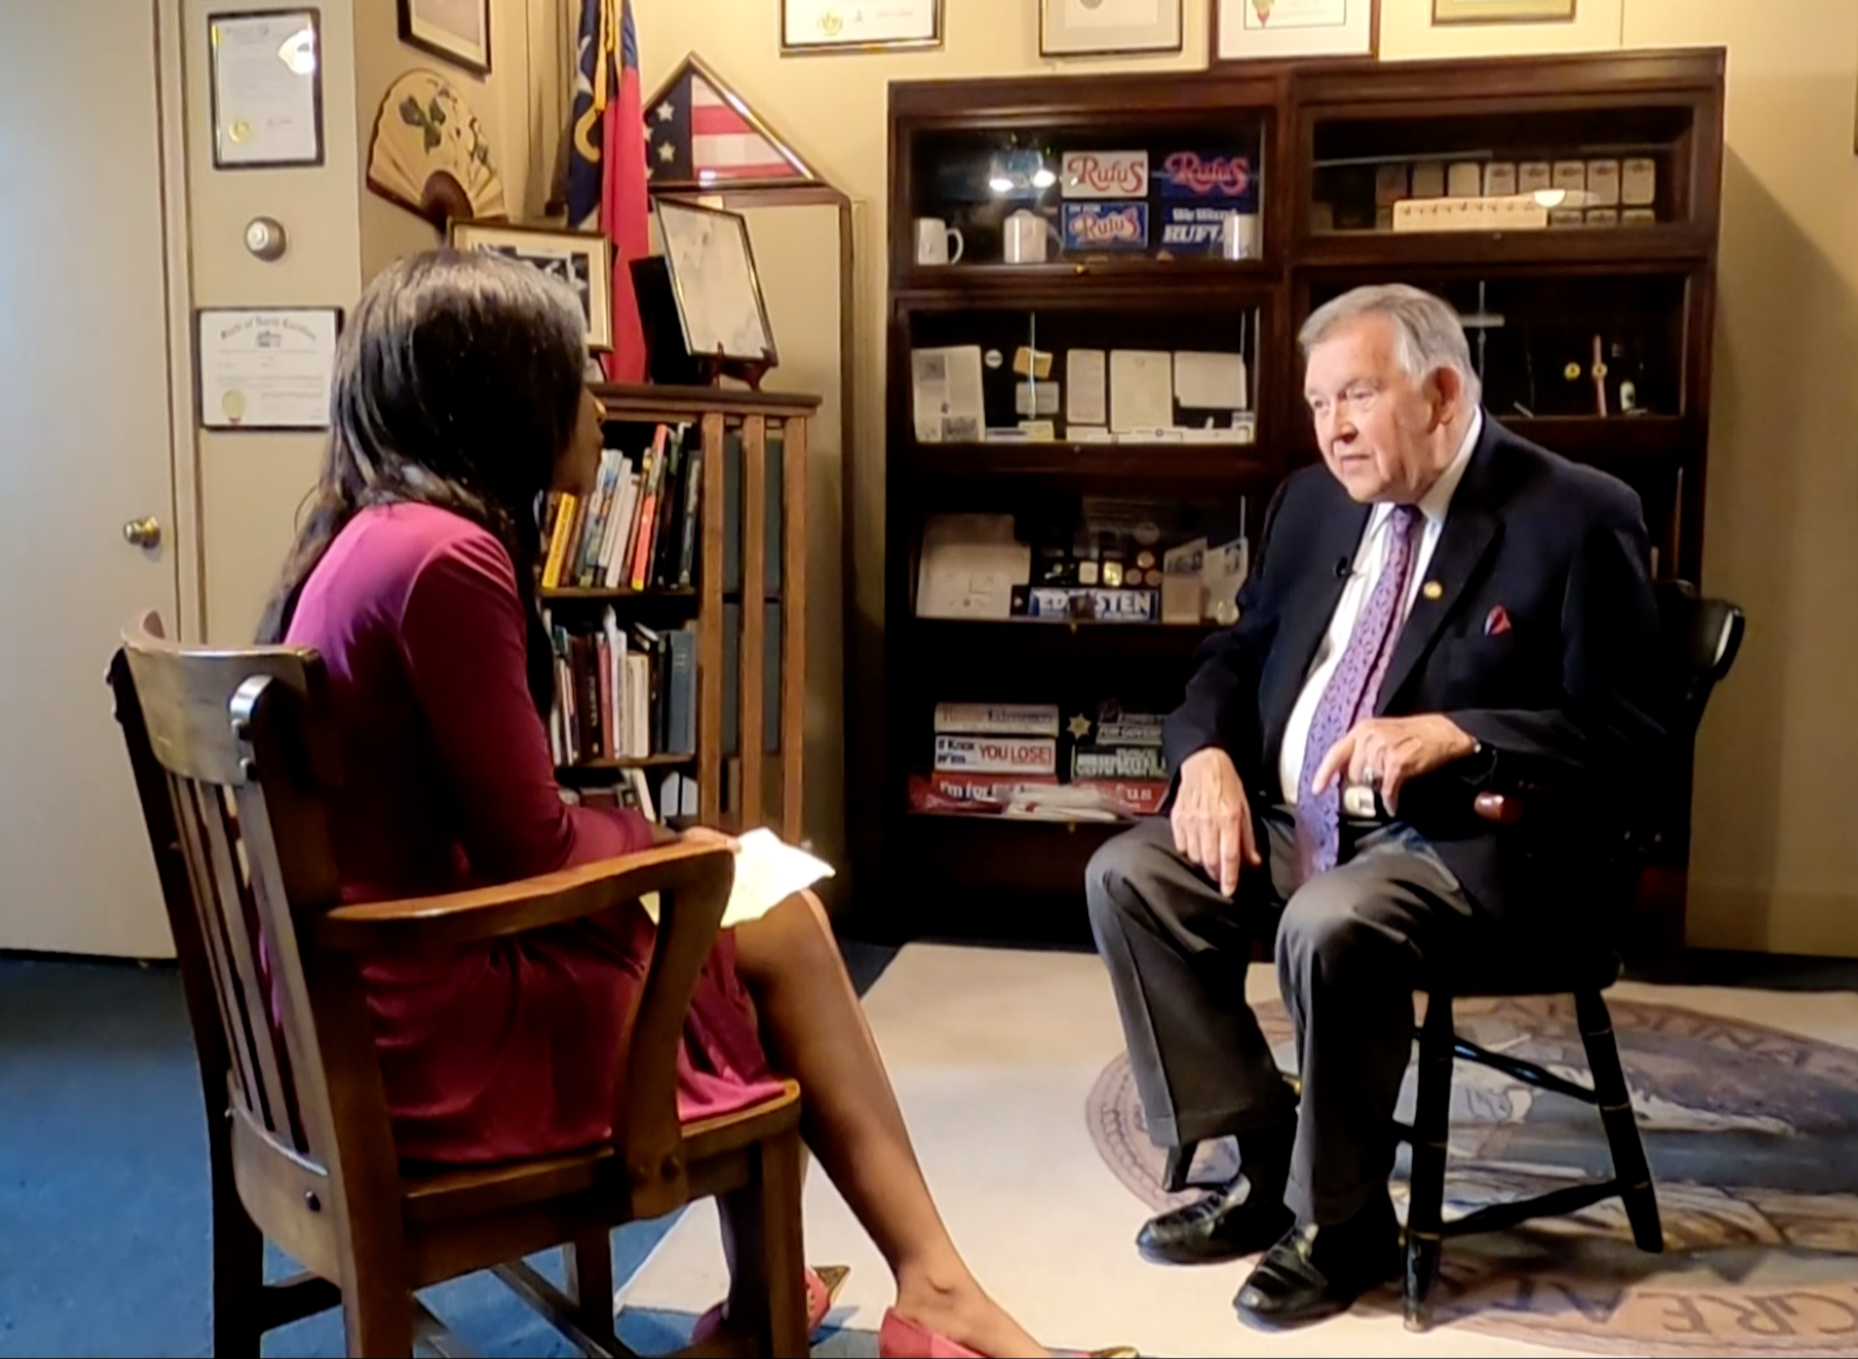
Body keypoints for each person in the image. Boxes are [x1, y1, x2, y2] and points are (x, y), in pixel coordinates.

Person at [260, 249, 1120, 1359]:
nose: (599, 400)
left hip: (341, 1013)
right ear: (502, 394)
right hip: (422, 1047)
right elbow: (535, 849)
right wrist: (683, 845)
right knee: (768, 917)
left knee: (756, 914)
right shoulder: (448, 559)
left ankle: (828, 1287)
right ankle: (905, 1291)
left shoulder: (366, 537)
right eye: (573, 369)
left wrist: (679, 853)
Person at [1086, 284, 1664, 1328]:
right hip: (1300, 818)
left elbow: (1631, 738)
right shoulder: (1312, 504)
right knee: (1130, 876)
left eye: (1356, 395)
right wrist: (1203, 757)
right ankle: (1269, 1168)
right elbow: (1235, 655)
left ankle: (1343, 1222)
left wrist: (1465, 733)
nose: (1332, 428)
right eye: (1318, 403)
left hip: (1466, 847)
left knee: (1332, 919)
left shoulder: (1577, 515)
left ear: (1441, 393)